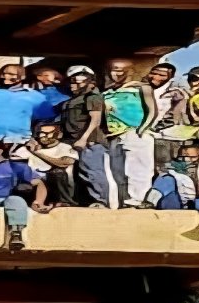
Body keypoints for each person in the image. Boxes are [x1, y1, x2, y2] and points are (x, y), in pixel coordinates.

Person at [102, 59, 160, 207]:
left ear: (131, 71)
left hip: (134, 132)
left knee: (138, 169)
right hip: (114, 134)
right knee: (117, 170)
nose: (116, 74)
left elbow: (152, 110)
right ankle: (122, 200)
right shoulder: (108, 92)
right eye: (113, 70)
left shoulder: (142, 88)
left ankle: (138, 199)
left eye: (120, 70)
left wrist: (142, 129)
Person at [58, 69, 114, 206]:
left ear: (91, 83)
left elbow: (95, 119)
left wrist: (84, 139)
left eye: (77, 82)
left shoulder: (92, 97)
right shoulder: (73, 99)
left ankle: (100, 201)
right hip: (72, 140)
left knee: (93, 171)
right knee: (77, 174)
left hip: (90, 141)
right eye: (71, 82)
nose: (73, 85)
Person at [149, 141, 199, 225]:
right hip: (175, 202)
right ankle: (150, 203)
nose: (186, 160)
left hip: (195, 202)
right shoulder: (171, 169)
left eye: (191, 157)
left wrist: (196, 182)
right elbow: (162, 184)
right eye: (183, 157)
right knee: (167, 180)